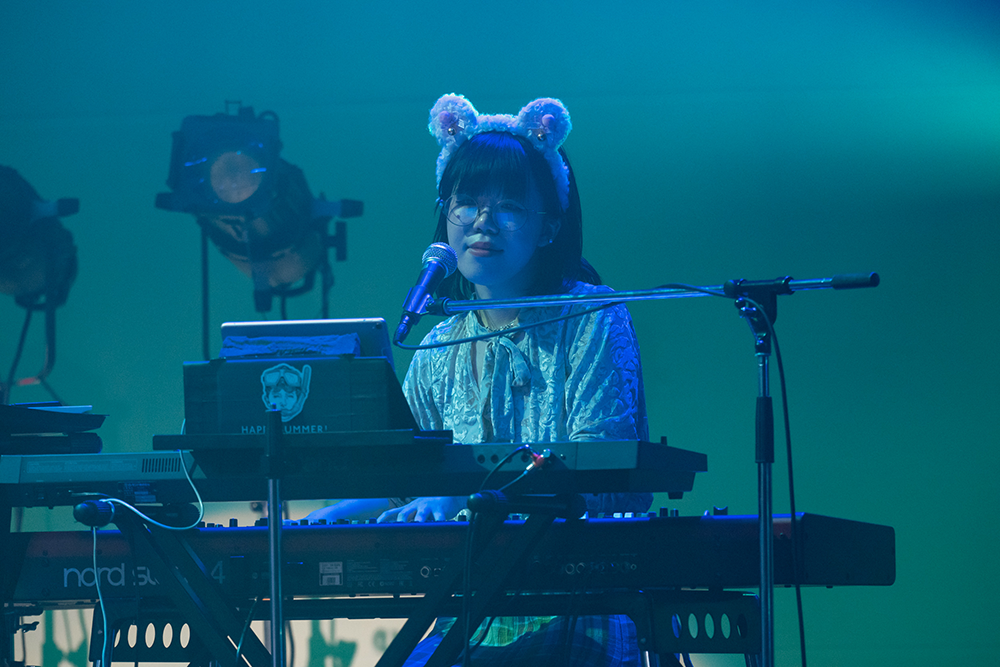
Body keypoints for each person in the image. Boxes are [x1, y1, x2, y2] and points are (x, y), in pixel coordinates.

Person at [306, 94, 651, 666]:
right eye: (466, 203)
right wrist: (327, 519)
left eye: (509, 206)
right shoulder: (439, 342)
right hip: (467, 614)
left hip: (576, 605)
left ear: (550, 226)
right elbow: (407, 477)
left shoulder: (591, 315)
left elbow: (603, 468)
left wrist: (465, 496)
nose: (482, 223)